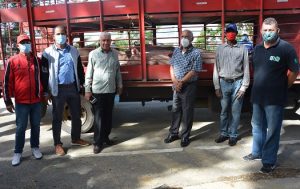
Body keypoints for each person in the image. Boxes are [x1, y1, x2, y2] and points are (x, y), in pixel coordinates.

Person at [243, 17, 299, 173]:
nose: (268, 33)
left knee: (272, 130)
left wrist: (285, 85)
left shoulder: (286, 49)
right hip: (257, 96)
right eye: (265, 30)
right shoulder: (258, 49)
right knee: (257, 127)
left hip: (275, 98)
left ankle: (269, 161)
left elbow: (294, 70)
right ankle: (257, 153)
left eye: (271, 30)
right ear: (261, 31)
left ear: (278, 31)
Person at [41, 25, 90, 156]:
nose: (60, 36)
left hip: (73, 87)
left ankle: (75, 138)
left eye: (63, 33)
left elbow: (79, 69)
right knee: (57, 118)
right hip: (58, 89)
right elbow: (44, 74)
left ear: (66, 35)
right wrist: (46, 91)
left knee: (76, 115)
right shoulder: (47, 53)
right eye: (58, 34)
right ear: (53, 36)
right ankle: (57, 144)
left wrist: (83, 85)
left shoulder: (74, 51)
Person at [3, 34, 44, 166]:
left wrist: (44, 93)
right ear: (18, 45)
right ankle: (18, 152)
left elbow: (43, 78)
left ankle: (35, 148)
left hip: (36, 101)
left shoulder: (37, 61)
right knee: (21, 127)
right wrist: (7, 101)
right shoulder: (12, 61)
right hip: (21, 102)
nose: (26, 44)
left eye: (28, 42)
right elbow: (7, 82)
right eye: (23, 42)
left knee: (36, 126)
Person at [84, 32, 123, 154]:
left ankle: (106, 138)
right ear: (99, 41)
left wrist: (120, 85)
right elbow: (89, 74)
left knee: (108, 117)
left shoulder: (114, 54)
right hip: (98, 92)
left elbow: (117, 71)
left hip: (110, 91)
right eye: (103, 40)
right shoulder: (93, 54)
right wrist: (87, 90)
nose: (106, 42)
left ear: (111, 41)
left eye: (108, 40)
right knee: (99, 119)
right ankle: (97, 143)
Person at [213, 23, 250, 146]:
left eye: (233, 31)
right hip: (223, 83)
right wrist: (217, 86)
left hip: (237, 83)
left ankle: (233, 135)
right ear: (225, 34)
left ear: (236, 34)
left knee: (235, 111)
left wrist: (244, 87)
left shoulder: (242, 49)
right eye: (228, 31)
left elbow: (246, 68)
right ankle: (224, 133)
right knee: (224, 111)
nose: (230, 33)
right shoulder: (220, 49)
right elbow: (216, 69)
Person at [164, 30, 202, 147]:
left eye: (187, 36)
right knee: (175, 110)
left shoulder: (196, 53)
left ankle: (185, 136)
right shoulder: (176, 51)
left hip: (188, 86)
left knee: (187, 112)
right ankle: (174, 133)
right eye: (182, 36)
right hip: (176, 86)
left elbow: (194, 71)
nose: (184, 38)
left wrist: (181, 82)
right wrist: (175, 81)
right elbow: (172, 66)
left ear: (192, 38)